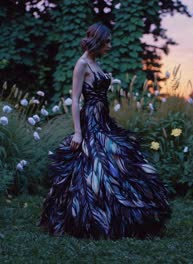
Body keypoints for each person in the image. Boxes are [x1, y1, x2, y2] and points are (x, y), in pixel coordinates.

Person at [39, 23, 171, 239]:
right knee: (96, 165)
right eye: (107, 41)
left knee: (120, 160)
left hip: (103, 119)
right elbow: (74, 100)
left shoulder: (95, 63)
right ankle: (92, 219)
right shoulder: (81, 64)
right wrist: (78, 133)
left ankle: (127, 215)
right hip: (91, 121)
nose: (110, 45)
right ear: (98, 41)